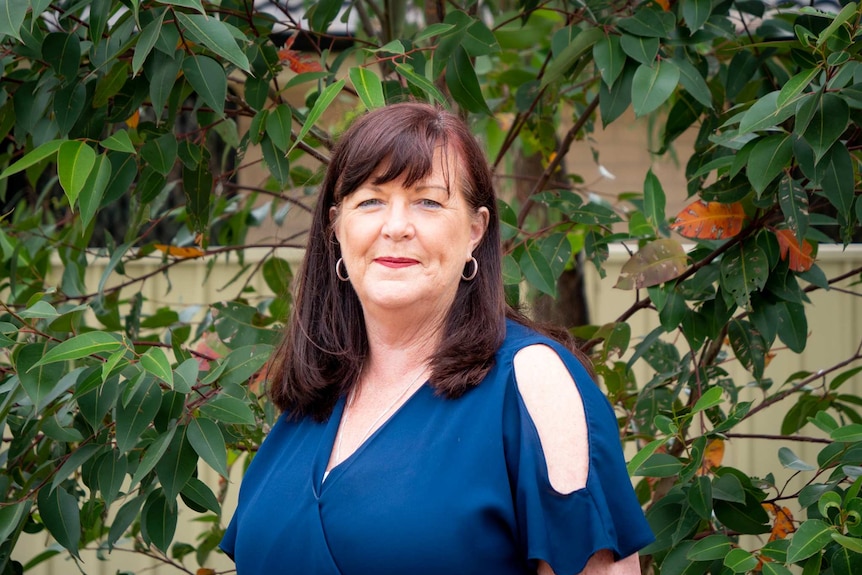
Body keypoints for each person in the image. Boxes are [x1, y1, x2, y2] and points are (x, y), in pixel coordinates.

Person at [220, 102, 654, 574]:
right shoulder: (311, 401)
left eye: (428, 201)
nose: (396, 227)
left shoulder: (531, 382)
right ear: (335, 227)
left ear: (475, 230)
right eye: (370, 201)